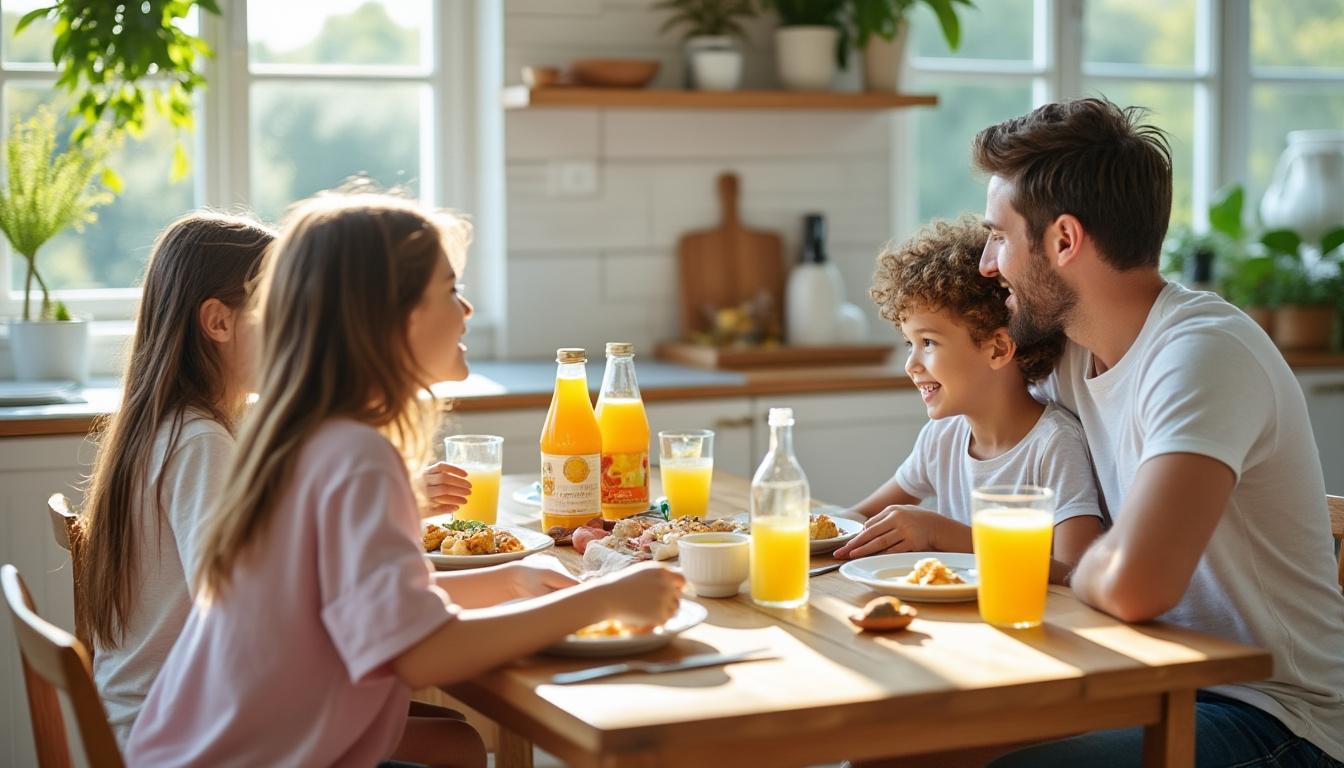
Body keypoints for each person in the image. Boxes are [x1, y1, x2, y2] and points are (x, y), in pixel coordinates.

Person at [125, 193, 685, 767]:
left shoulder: (307, 439)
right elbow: (421, 654)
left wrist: (512, 580)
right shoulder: (357, 455)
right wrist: (601, 598)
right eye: (449, 289)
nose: (466, 311)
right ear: (390, 319)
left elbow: (365, 610)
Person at [975, 97, 1344, 766]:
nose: (986, 263)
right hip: (1150, 677)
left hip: (1275, 717)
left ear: (1063, 240)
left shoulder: (1202, 355)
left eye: (998, 236)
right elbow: (977, 412)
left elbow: (1137, 587)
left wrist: (1073, 568)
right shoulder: (1076, 358)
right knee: (932, 745)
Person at [79, 212, 274, 746]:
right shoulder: (200, 442)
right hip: (180, 732)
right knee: (454, 743)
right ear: (219, 322)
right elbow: (239, 608)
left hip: (154, 716)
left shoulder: (168, 426)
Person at [833, 216, 1105, 574]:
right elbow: (859, 517)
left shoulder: (1053, 445)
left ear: (997, 349)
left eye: (928, 342)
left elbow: (1075, 571)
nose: (911, 365)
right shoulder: (943, 438)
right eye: (909, 343)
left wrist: (945, 535)